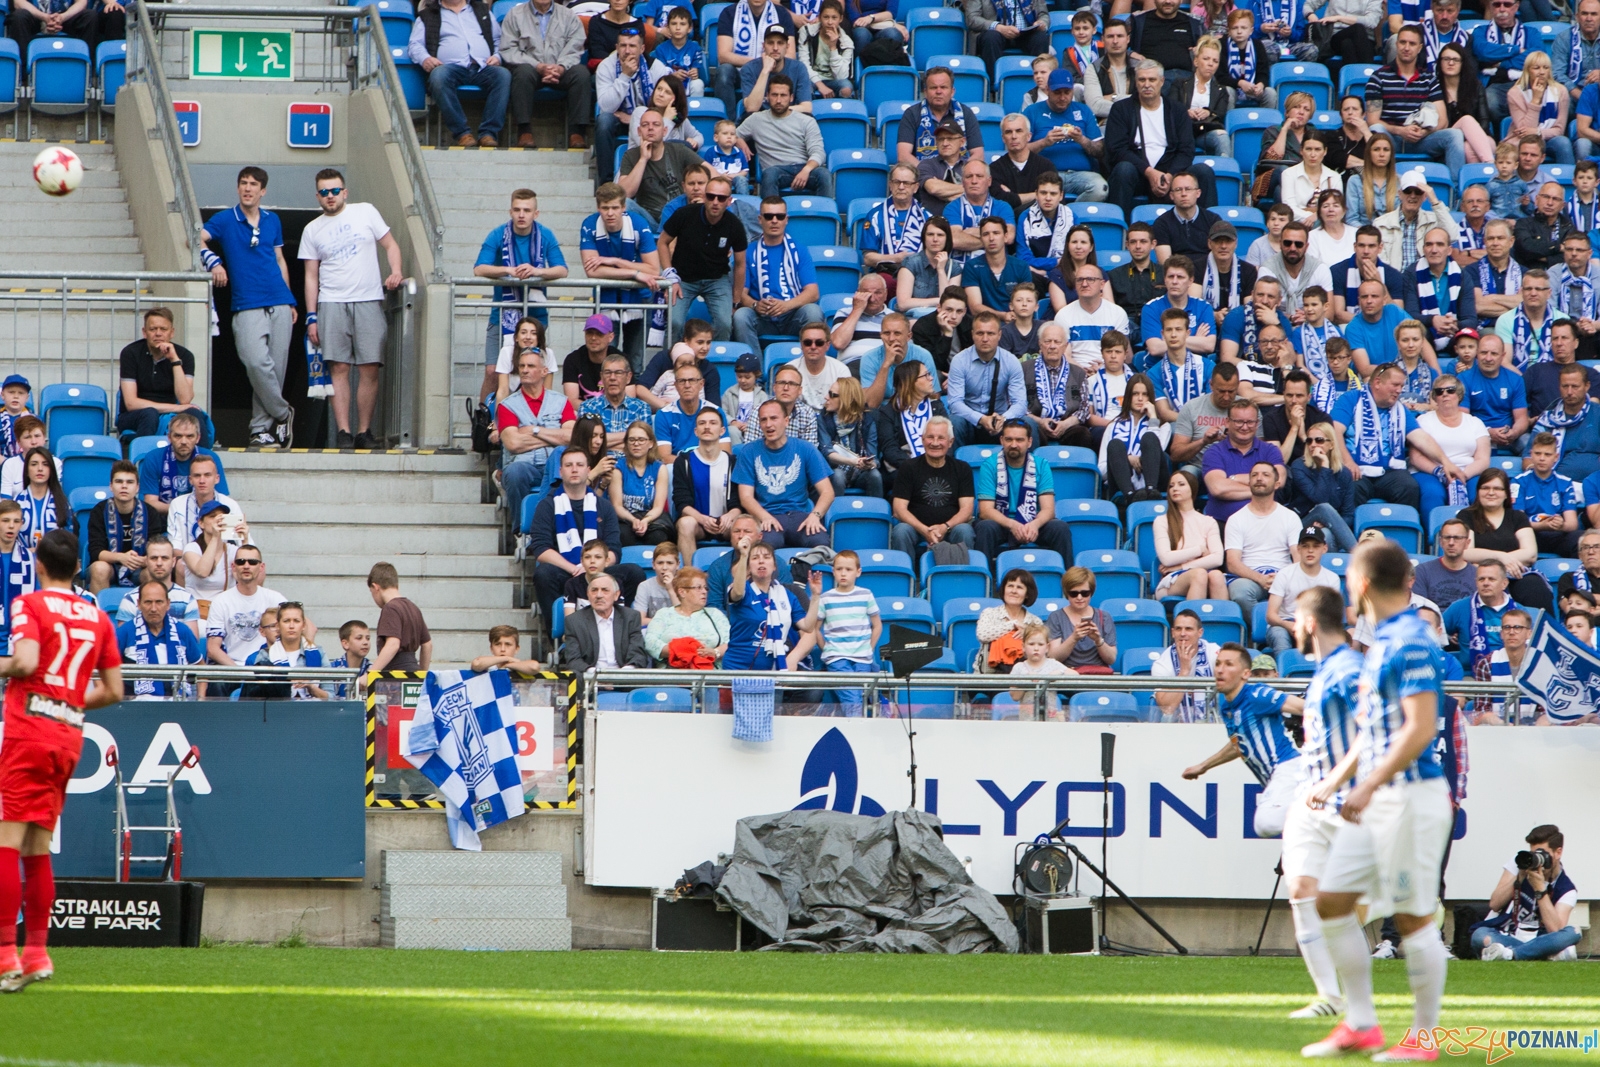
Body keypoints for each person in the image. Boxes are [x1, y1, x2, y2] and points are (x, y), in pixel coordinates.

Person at [1303, 540, 1452, 1063]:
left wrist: (1365, 785)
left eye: (1348, 578)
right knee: (1331, 901)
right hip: (1380, 795)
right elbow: (1377, 728)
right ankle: (1362, 1024)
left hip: (1408, 795)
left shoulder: (1410, 639)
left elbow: (1420, 728)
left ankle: (1423, 1039)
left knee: (1412, 919)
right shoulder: (1384, 640)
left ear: (1362, 584)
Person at [0, 529, 122, 992]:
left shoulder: (29, 605)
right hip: (69, 735)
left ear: (38, 563)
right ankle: (36, 953)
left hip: (29, 729)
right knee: (37, 846)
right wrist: (68, 702)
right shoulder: (96, 616)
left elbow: (26, 662)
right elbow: (113, 690)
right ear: (76, 567)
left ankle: (4, 955)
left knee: (7, 841)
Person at [1280, 585, 1365, 1020]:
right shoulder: (1326, 668)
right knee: (1301, 891)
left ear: (1310, 623)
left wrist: (1334, 781)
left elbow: (1373, 732)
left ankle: (1358, 1006)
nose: (1292, 626)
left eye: (1295, 618)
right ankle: (1330, 998)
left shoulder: (1349, 669)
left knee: (1346, 905)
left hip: (1344, 801)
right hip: (1309, 797)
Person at [301, 169, 403, 449]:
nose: (330, 196)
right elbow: (311, 275)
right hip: (331, 301)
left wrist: (396, 271)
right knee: (339, 368)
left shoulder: (366, 212)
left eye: (335, 191)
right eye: (324, 192)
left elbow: (390, 244)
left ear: (345, 192)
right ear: (318, 196)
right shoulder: (312, 229)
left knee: (370, 367)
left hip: (368, 298)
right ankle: (344, 432)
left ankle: (364, 431)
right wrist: (312, 316)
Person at [200, 167, 296, 448]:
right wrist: (213, 262)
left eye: (253, 184)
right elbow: (195, 238)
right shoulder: (225, 219)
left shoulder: (272, 219)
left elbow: (279, 258)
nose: (248, 188)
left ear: (262, 190)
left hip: (279, 300)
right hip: (247, 303)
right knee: (256, 364)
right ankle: (283, 413)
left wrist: (290, 298)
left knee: (275, 371)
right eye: (243, 183)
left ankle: (259, 430)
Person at [1182, 642, 1307, 835]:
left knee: (1265, 823)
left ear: (1246, 674)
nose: (1220, 670)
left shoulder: (1257, 694)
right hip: (1275, 779)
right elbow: (1239, 744)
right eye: (1218, 664)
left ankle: (1321, 813)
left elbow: (1304, 708)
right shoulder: (1227, 707)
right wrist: (1204, 766)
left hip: (1288, 769)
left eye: (1229, 664)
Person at [473, 188, 568, 400]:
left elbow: (562, 269)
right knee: (492, 372)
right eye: (517, 210)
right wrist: (508, 271)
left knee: (534, 371)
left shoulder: (546, 235)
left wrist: (537, 272)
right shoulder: (498, 234)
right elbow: (479, 268)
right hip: (502, 314)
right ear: (510, 211)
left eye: (527, 210)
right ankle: (484, 423)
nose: (521, 215)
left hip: (536, 318)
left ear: (536, 213)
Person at [1332, 362, 1461, 508]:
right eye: (1395, 385)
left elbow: (1421, 438)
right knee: (1350, 488)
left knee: (1409, 487)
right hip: (1357, 469)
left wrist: (1446, 462)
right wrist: (1348, 462)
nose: (1399, 390)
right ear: (1378, 382)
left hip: (1390, 471)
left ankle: (1405, 530)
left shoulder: (1400, 410)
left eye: (1401, 386)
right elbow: (1334, 431)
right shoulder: (1351, 399)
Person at [1103, 61, 1215, 220]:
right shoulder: (1121, 109)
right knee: (1123, 170)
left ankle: (1209, 230)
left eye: (1152, 80)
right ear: (1136, 82)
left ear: (1162, 81)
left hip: (1171, 172)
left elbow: (1186, 150)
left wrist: (1170, 176)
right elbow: (1116, 150)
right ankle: (1121, 230)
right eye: (1142, 80)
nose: (1147, 84)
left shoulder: (1177, 110)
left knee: (1203, 172)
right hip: (1138, 172)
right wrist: (1149, 172)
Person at [408, 0, 509, 147]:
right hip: (450, 68)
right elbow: (415, 44)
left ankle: (488, 133)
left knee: (503, 75)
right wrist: (425, 59)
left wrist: (497, 56)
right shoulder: (428, 15)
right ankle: (462, 133)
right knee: (438, 76)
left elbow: (498, 40)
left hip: (482, 66)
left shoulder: (482, 11)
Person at [1472, 824, 1582, 960]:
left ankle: (1509, 955)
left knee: (1574, 932)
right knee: (1480, 935)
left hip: (1540, 939)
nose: (1537, 859)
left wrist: (1540, 889)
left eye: (1542, 854)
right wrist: (1520, 877)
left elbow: (1554, 930)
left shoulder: (1567, 889)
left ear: (1558, 852)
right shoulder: (1521, 863)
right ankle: (1542, 955)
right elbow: (1495, 904)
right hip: (1508, 935)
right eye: (1533, 853)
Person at [789, 549, 880, 713]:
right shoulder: (826, 598)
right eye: (839, 569)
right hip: (837, 658)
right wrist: (828, 650)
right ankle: (855, 732)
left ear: (858, 572)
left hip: (863, 658)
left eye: (848, 569)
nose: (843, 573)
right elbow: (815, 629)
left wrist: (869, 648)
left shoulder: (866, 595)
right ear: (833, 571)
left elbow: (877, 626)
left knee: (860, 697)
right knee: (851, 699)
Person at [733, 400, 833, 549]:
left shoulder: (805, 448)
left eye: (774, 418)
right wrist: (764, 517)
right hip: (767, 516)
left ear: (786, 421)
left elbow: (827, 492)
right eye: (763, 420)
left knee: (821, 543)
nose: (768, 424)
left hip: (799, 515)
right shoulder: (749, 451)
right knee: (763, 548)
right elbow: (746, 497)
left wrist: (815, 516)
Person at [495, 346, 576, 529]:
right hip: (525, 466)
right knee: (515, 472)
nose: (524, 370)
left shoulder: (561, 402)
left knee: (562, 457)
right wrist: (555, 436)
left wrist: (534, 430)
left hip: (555, 466)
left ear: (544, 371)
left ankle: (556, 525)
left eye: (530, 366)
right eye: (521, 366)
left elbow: (571, 437)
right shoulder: (507, 405)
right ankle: (522, 529)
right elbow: (513, 443)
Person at [974, 419, 1074, 563]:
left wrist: (1035, 524)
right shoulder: (989, 465)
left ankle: (1068, 582)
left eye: (1019, 440)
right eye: (1009, 439)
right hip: (1002, 522)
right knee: (985, 527)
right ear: (1001, 440)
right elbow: (985, 510)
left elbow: (1048, 509)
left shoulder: (1041, 464)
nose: (1014, 445)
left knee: (1060, 528)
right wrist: (1013, 525)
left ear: (1029, 442)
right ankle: (985, 581)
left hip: (1032, 521)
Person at [498, 0, 591, 151]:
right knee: (522, 73)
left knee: (581, 74)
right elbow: (508, 49)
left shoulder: (568, 15)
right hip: (531, 68)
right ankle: (524, 130)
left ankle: (577, 132)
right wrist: (538, 66)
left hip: (560, 68)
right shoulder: (515, 15)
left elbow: (575, 47)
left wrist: (560, 67)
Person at [1459, 468, 1555, 612]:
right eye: (1485, 488)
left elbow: (1530, 553)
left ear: (1506, 494)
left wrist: (1501, 562)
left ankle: (1540, 631)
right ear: (1478, 491)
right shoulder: (1466, 516)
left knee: (1535, 587)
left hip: (1515, 574)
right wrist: (1500, 557)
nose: (1491, 493)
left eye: (1497, 488)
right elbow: (1466, 552)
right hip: (1480, 574)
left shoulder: (1517, 517)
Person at [115, 308, 208, 444]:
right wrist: (175, 408)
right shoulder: (130, 353)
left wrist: (174, 361)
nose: (158, 333)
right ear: (144, 332)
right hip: (134, 415)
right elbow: (131, 403)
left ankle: (201, 461)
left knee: (194, 414)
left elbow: (185, 399)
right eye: (153, 329)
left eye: (163, 329)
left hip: (168, 415)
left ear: (172, 332)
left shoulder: (185, 356)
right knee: (150, 413)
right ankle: (144, 461)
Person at [1223, 460, 1302, 617]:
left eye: (1265, 475)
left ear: (1277, 483)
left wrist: (1282, 578)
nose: (1259, 478)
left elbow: (1298, 557)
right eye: (1254, 475)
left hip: (1283, 576)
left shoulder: (1290, 517)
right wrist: (1260, 578)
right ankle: (1269, 628)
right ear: (1249, 482)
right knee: (1240, 592)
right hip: (1250, 578)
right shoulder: (1236, 519)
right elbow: (1232, 563)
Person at [736, 74, 831, 198]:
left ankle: (823, 215)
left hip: (804, 167)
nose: (779, 100)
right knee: (770, 174)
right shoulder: (756, 119)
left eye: (783, 95)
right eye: (774, 95)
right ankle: (769, 215)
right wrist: (739, 139)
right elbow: (730, 134)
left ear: (791, 97)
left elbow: (818, 152)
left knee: (824, 174)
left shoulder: (806, 120)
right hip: (776, 170)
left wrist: (806, 170)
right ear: (767, 97)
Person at [1413, 373, 1490, 516]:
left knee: (1480, 493)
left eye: (1450, 390)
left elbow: (1483, 459)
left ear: (1459, 395)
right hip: (1431, 472)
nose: (1445, 394)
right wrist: (1441, 473)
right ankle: (1433, 535)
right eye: (1439, 391)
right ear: (1435, 397)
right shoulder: (1423, 421)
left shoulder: (1475, 422)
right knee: (1433, 494)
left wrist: (1463, 475)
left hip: (1468, 472)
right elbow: (1415, 457)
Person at [946, 312, 1026, 446]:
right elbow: (955, 403)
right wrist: (981, 419)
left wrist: (1004, 418)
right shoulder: (959, 360)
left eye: (990, 333)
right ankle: (951, 466)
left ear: (999, 335)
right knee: (954, 422)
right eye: (980, 333)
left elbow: (1020, 403)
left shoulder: (1011, 361)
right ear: (972, 334)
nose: (985, 339)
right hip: (969, 422)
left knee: (1028, 423)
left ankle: (1028, 466)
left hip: (1000, 421)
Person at [619, 108, 707, 228]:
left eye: (656, 124)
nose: (650, 128)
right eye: (645, 125)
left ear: (664, 131)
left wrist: (702, 198)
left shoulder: (679, 150)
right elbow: (624, 194)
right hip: (649, 221)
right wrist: (643, 159)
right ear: (639, 131)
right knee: (625, 203)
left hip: (679, 216)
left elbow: (713, 174)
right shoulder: (631, 155)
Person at [118, 579, 204, 701]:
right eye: (148, 602)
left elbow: (201, 669)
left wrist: (200, 701)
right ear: (139, 604)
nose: (153, 608)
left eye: (159, 602)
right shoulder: (125, 631)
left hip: (179, 705)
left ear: (168, 604)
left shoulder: (182, 631)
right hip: (136, 708)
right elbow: (104, 669)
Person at [724, 539, 805, 669]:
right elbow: (738, 593)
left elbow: (808, 626)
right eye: (755, 558)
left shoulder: (787, 595)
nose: (761, 561)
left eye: (766, 557)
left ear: (774, 566)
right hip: (737, 667)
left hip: (773, 668)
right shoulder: (744, 590)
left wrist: (816, 596)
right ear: (749, 568)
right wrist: (744, 555)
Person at [1202, 399, 1285, 524]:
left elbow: (1278, 480)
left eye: (1250, 422)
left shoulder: (1270, 451)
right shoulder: (1214, 452)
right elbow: (1218, 488)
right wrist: (1262, 491)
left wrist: (1234, 479)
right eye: (1239, 421)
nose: (1245, 427)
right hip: (1222, 524)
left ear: (1257, 423)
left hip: (1266, 524)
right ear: (1227, 422)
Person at [86, 461, 161, 595]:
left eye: (130, 482)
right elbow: (96, 552)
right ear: (111, 486)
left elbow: (156, 548)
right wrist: (121, 558)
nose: (124, 486)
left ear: (137, 487)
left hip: (140, 566)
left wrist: (144, 560)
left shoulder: (150, 512)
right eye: (119, 481)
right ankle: (99, 614)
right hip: (110, 566)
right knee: (99, 568)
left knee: (154, 571)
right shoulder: (99, 511)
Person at [713, 0, 797, 119]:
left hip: (773, 72)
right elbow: (723, 55)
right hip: (740, 72)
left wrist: (769, 65)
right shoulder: (730, 13)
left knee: (790, 69)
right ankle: (729, 126)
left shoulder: (781, 14)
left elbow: (790, 54)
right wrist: (758, 64)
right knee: (724, 71)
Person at [203, 545, 285, 666]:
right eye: (241, 562)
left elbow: (306, 627)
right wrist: (240, 673)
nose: (246, 566)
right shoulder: (221, 601)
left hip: (265, 666)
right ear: (233, 566)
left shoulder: (275, 598)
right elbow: (213, 649)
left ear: (261, 567)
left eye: (252, 562)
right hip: (231, 668)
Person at [1265, 527, 1342, 653]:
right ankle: (1285, 671)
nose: (1310, 550)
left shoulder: (1332, 579)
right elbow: (1271, 615)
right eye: (1305, 546)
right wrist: (1288, 625)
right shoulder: (1285, 574)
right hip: (1285, 624)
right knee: (1279, 635)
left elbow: (1330, 616)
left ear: (1324, 548)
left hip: (1316, 625)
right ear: (1298, 549)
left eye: (1316, 546)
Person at [1286, 420, 1358, 551]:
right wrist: (1325, 466)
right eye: (1309, 441)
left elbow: (1348, 515)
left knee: (1326, 535)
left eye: (1319, 440)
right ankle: (1359, 553)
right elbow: (1320, 499)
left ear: (1331, 444)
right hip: (1302, 523)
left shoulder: (1344, 473)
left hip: (1329, 528)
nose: (1313, 445)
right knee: (1324, 508)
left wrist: (1328, 524)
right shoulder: (1299, 466)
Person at [1154, 471, 1226, 599]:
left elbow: (1217, 558)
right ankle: (1190, 618)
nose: (1175, 488)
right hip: (1172, 580)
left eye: (1181, 484)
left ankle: (1220, 618)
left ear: (1192, 488)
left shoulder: (1208, 521)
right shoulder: (1161, 521)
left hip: (1195, 572)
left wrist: (1182, 565)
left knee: (1217, 575)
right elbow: (1166, 558)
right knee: (1199, 574)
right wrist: (1200, 550)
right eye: (1171, 486)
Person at [562, 572, 651, 678]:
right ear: (588, 594)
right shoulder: (574, 621)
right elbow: (573, 659)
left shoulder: (630, 617)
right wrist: (597, 676)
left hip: (624, 677)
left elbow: (638, 655)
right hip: (590, 678)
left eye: (605, 590)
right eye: (594, 590)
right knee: (575, 677)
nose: (599, 595)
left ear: (616, 595)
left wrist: (620, 676)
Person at [1100, 374, 1171, 500]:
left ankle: (1151, 491)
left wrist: (1153, 419)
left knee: (1149, 438)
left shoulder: (1163, 426)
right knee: (1115, 445)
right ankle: (1129, 496)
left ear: (1150, 397)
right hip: (1123, 485)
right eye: (1135, 394)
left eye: (1145, 394)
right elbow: (1102, 470)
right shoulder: (1112, 427)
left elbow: (1156, 453)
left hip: (1156, 482)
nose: (1140, 398)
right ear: (1128, 396)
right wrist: (1126, 459)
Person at [898, 67, 985, 169]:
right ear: (925, 92)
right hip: (923, 178)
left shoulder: (966, 113)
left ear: (952, 91)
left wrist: (959, 174)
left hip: (959, 178)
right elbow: (903, 156)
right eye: (933, 88)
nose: (938, 91)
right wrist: (928, 175)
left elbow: (978, 155)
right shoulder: (912, 114)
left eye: (943, 87)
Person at [1513, 432, 1583, 558]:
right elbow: (1517, 522)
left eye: (1547, 454)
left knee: (1581, 539)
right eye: (1538, 453)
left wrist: (1561, 525)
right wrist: (1542, 526)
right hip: (1528, 534)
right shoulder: (1518, 481)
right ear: (1531, 454)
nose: (1542, 458)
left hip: (1556, 535)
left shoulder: (1565, 482)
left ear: (1556, 457)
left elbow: (1572, 524)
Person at [877, 361, 947, 483]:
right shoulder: (889, 412)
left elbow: (947, 440)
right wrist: (918, 467)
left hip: (936, 464)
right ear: (910, 381)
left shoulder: (937, 407)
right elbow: (890, 450)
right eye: (925, 375)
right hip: (903, 468)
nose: (931, 378)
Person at [643, 566, 730, 664]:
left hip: (709, 670)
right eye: (698, 588)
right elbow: (650, 643)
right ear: (682, 592)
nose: (704, 591)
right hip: (672, 673)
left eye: (705, 588)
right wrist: (681, 651)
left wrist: (715, 652)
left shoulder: (715, 614)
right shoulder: (664, 614)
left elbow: (731, 642)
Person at [1024, 323, 1092, 448]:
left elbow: (1084, 409)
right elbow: (1017, 405)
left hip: (1067, 426)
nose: (1052, 346)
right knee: (1027, 428)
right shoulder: (1024, 369)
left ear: (1065, 346)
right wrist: (1039, 422)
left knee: (1083, 434)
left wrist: (1065, 424)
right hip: (1037, 425)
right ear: (1040, 344)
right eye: (1048, 341)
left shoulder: (1078, 373)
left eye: (1057, 342)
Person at [1528, 363, 1600, 480]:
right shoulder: (1548, 419)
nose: (1570, 392)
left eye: (1575, 386)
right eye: (1565, 386)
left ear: (1587, 386)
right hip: (1555, 487)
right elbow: (1528, 457)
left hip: (1595, 488)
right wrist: (1539, 479)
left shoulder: (1598, 414)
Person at [1142, 257, 1218, 363]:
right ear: (1165, 279)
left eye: (1180, 277)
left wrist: (1168, 340)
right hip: (1159, 369)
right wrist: (1195, 339)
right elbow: (1155, 348)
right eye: (1171, 276)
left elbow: (1209, 345)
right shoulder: (1151, 308)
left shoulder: (1203, 307)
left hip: (1197, 370)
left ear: (1190, 281)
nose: (1174, 281)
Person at [113, 537, 198, 631]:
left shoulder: (187, 599)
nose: (159, 563)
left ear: (173, 562)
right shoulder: (131, 599)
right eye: (154, 558)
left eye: (164, 558)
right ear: (146, 561)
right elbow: (123, 642)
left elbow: (191, 642)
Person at [612, 420, 674, 547]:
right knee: (623, 536)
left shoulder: (659, 468)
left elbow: (658, 506)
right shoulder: (618, 468)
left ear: (650, 443)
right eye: (632, 440)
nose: (636, 444)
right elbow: (617, 506)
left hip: (651, 517)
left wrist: (645, 521)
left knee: (658, 536)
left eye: (641, 440)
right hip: (626, 518)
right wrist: (633, 520)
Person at [1044, 567, 1117, 672]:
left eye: (1085, 593)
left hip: (1097, 675)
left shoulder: (1104, 617)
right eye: (1074, 593)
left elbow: (1111, 659)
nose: (1079, 597)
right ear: (1066, 593)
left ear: (1091, 592)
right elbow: (1053, 657)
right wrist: (1073, 638)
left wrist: (1098, 640)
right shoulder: (1056, 617)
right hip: (1067, 675)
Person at [1152, 608, 1220, 722]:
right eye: (1178, 629)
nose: (1183, 634)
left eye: (1188, 629)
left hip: (1211, 723)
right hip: (1176, 726)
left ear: (1200, 633)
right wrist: (1184, 671)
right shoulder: (1162, 663)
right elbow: (1167, 708)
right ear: (1173, 633)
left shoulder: (1213, 652)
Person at [1508, 53, 1575, 167]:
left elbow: (1559, 130)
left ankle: (1568, 181)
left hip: (1549, 139)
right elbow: (1526, 135)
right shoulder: (1515, 93)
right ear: (1528, 70)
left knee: (1563, 142)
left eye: (1546, 68)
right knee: (1528, 146)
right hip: (1521, 140)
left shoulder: (1561, 91)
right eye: (1536, 68)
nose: (1542, 72)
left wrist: (1538, 132)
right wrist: (1535, 100)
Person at [365, 561, 431, 673]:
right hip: (414, 672)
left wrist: (370, 674)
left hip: (394, 677)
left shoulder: (390, 608)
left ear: (375, 587)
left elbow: (393, 644)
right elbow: (427, 645)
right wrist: (422, 676)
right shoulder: (413, 608)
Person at [974, 568, 1043, 673]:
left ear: (1027, 594)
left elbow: (1042, 649)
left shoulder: (1035, 621)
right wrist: (1013, 624)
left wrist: (1028, 633)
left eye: (1019, 587)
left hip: (1025, 679)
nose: (1014, 591)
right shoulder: (990, 613)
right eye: (1010, 586)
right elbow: (983, 635)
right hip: (988, 678)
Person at [739, 26, 814, 116]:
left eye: (780, 43)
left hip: (788, 120)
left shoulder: (798, 68)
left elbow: (806, 107)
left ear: (787, 47)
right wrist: (765, 71)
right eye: (770, 43)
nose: (775, 48)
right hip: (759, 122)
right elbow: (751, 107)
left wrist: (778, 111)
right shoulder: (749, 68)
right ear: (763, 46)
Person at [1152, 172, 1222, 264]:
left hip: (1206, 274)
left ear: (1198, 193)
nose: (1183, 194)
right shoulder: (1162, 223)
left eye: (1188, 189)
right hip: (1177, 275)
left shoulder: (1213, 220)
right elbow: (1165, 263)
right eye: (1178, 190)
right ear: (1171, 195)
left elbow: (1219, 257)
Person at [1413, 517, 1479, 607]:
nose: (1451, 542)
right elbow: (1420, 609)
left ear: (1467, 543)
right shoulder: (1422, 571)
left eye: (1457, 538)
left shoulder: (1477, 575)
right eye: (1447, 537)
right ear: (1440, 542)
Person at [797, 0, 853, 99]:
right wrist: (820, 85)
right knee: (804, 86)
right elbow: (804, 64)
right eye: (826, 17)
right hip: (812, 77)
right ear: (819, 17)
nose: (830, 22)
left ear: (840, 19)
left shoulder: (847, 42)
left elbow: (842, 76)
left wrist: (833, 48)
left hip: (834, 79)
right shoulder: (806, 32)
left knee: (847, 88)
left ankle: (840, 113)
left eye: (834, 18)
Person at [1083, 19, 1135, 120]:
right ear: (1102, 39)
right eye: (1110, 36)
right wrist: (1133, 104)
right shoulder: (1093, 68)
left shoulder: (1139, 67)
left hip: (1137, 122)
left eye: (1120, 36)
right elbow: (1095, 107)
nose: (1115, 41)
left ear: (1128, 39)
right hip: (1107, 123)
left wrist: (1113, 97)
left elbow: (1149, 100)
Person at [830, 273, 889, 362]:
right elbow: (838, 343)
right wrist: (857, 309)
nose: (872, 299)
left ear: (885, 294)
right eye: (866, 293)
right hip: (854, 362)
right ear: (857, 293)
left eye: (878, 293)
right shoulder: (844, 313)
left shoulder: (894, 317)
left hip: (883, 363)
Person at [470, 623, 538, 676]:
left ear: (517, 648)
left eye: (508, 644)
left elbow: (534, 667)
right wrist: (507, 658)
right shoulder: (487, 666)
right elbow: (476, 664)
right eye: (498, 644)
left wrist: (507, 665)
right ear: (491, 648)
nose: (503, 649)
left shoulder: (520, 665)